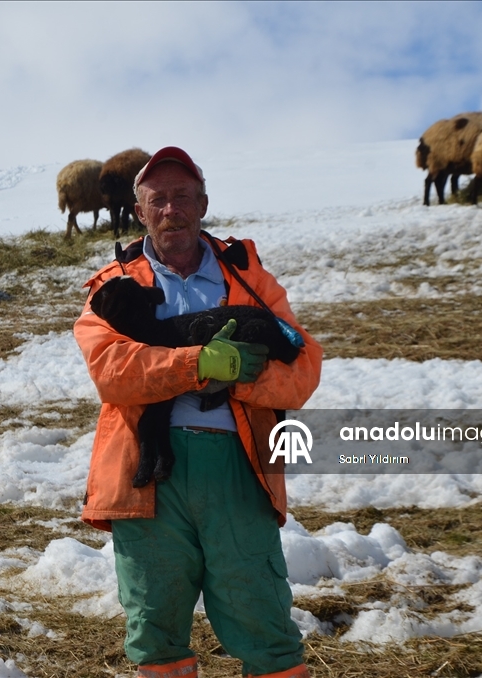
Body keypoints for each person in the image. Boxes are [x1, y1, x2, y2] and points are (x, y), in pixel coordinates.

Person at [74, 147, 322, 678]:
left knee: (263, 619)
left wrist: (244, 375)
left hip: (239, 466)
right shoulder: (113, 285)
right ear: (140, 212)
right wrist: (198, 365)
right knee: (155, 625)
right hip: (145, 475)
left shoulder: (249, 276)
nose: (170, 210)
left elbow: (303, 371)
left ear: (202, 203)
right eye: (157, 200)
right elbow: (110, 372)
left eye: (181, 197)